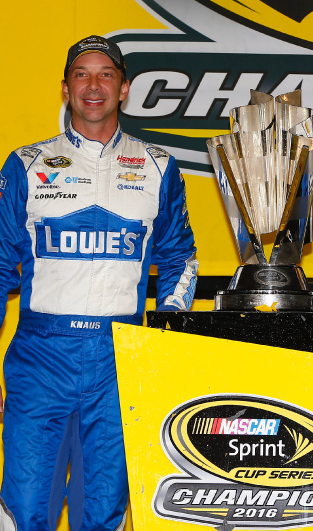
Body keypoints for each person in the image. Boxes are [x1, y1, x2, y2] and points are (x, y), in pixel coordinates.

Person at [0, 35, 199, 531]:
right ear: (65, 88)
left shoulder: (158, 165)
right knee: (24, 508)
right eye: (81, 74)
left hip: (120, 357)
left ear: (124, 88)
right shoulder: (25, 163)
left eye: (106, 74)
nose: (94, 85)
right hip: (40, 357)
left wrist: (159, 346)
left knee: (104, 510)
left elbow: (181, 258)